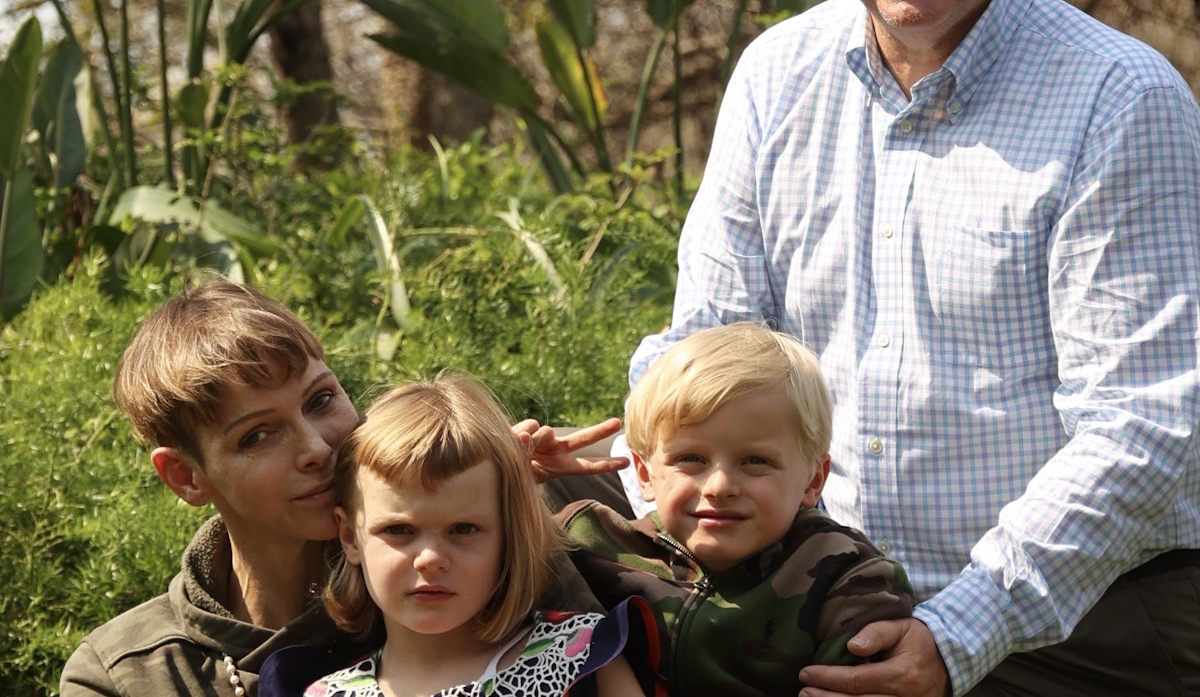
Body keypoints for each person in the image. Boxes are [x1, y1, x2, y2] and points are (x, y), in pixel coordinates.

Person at [620, 0, 1200, 693]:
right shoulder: (776, 80)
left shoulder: (1120, 99)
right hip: (816, 590)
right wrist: (637, 469)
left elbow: (1147, 426)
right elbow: (703, 351)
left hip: (1079, 615)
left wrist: (953, 635)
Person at [59, 278, 628, 697]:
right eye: (258, 435)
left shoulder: (462, 567)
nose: (315, 447)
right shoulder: (131, 675)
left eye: (321, 399)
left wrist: (501, 495)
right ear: (186, 476)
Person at [559, 322, 914, 696]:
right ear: (645, 473)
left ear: (812, 480)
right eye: (691, 458)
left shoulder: (847, 578)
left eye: (755, 461)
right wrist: (508, 474)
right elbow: (495, 585)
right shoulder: (592, 542)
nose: (720, 487)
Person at [284, 372, 650, 697]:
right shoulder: (326, 693)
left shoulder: (578, 654)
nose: (430, 558)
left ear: (508, 534)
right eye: (398, 530)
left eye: (463, 529)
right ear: (350, 537)